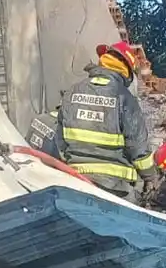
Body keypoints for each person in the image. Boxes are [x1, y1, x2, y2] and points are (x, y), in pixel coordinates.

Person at [51, 40, 153, 197]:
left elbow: (60, 139)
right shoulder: (125, 98)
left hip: (75, 180)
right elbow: (138, 147)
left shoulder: (72, 91)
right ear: (126, 71)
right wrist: (150, 177)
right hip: (115, 187)